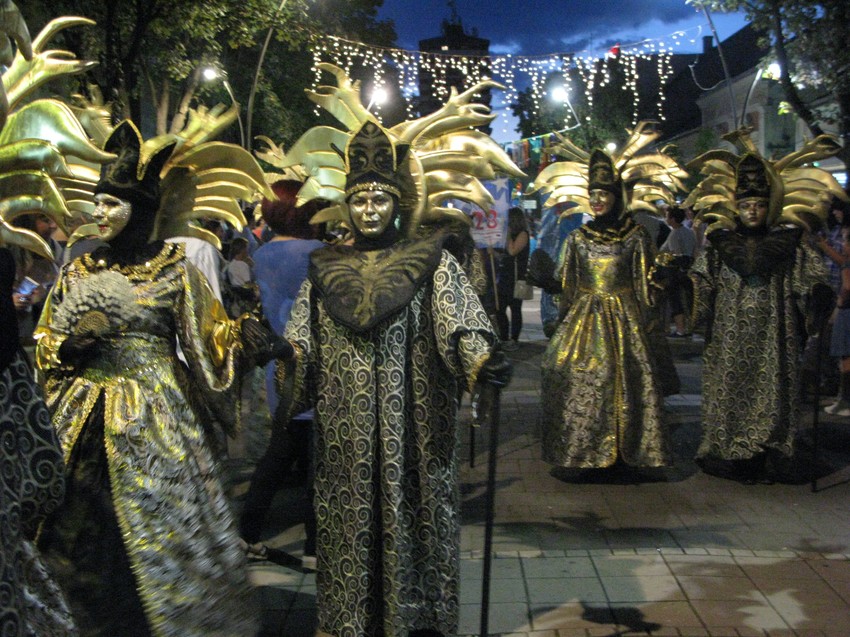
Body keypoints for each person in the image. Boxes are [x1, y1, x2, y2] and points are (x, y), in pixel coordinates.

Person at [273, 64, 521, 637]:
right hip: (345, 434)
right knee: (345, 522)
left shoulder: (429, 261)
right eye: (358, 200)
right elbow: (303, 341)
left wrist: (482, 358)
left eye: (378, 200)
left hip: (415, 430)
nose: (367, 210)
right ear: (347, 204)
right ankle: (352, 618)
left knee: (416, 513)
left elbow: (459, 322)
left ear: (396, 202)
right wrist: (280, 355)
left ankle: (415, 617)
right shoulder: (324, 268)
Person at [34, 120, 284, 636]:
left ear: (141, 211)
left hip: (154, 420)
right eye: (97, 203)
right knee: (74, 530)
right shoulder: (78, 272)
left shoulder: (175, 269)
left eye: (112, 204)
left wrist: (244, 340)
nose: (99, 214)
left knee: (153, 531)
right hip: (78, 417)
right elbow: (44, 339)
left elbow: (207, 340)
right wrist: (67, 346)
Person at [687, 135, 842, 483]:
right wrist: (683, 284)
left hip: (775, 338)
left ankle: (769, 452)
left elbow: (812, 279)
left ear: (768, 205)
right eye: (746, 205)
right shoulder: (719, 246)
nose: (752, 210)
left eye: (758, 204)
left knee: (772, 396)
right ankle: (733, 454)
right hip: (729, 340)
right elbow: (701, 282)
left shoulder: (789, 246)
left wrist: (817, 294)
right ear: (736, 207)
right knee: (731, 393)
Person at [531, 148, 672, 469]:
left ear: (616, 196)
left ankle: (627, 455)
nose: (596, 200)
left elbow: (645, 285)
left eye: (603, 194)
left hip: (626, 320)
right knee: (578, 373)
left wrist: (664, 278)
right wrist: (550, 283)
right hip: (584, 321)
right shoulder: (578, 239)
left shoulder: (635, 237)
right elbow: (567, 284)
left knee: (628, 379)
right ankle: (585, 452)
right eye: (592, 194)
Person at [238, 179, 326, 567]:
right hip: (318, 363)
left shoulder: (262, 254)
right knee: (316, 459)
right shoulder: (320, 253)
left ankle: (247, 533)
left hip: (279, 366)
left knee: (282, 450)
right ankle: (314, 545)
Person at [658, 205, 696, 337]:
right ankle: (688, 327)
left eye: (667, 217)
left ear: (673, 219)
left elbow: (676, 253)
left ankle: (680, 329)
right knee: (687, 299)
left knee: (675, 299)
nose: (666, 219)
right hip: (688, 267)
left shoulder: (674, 233)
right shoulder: (689, 231)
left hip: (675, 270)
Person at [498, 207, 530, 350]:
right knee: (500, 309)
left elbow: (512, 251)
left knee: (515, 309)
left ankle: (514, 339)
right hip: (504, 277)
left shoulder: (523, 234)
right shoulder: (508, 235)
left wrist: (508, 233)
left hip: (516, 278)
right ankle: (504, 337)